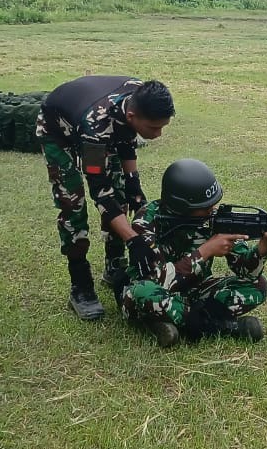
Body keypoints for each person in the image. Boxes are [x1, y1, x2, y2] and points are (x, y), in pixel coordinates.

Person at [35, 75, 175, 320]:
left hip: (98, 122)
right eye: (154, 128)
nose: (159, 134)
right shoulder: (96, 127)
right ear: (133, 116)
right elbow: (100, 192)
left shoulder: (139, 94)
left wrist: (134, 185)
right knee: (72, 203)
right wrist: (134, 240)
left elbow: (125, 138)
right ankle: (80, 285)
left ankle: (115, 265)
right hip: (58, 131)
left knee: (123, 193)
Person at [121, 159, 267, 347]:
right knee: (143, 293)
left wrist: (265, 242)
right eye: (205, 207)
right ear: (182, 206)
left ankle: (172, 321)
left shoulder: (213, 220)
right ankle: (220, 325)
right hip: (154, 291)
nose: (212, 210)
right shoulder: (146, 221)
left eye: (213, 204)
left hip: (195, 291)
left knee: (257, 285)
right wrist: (205, 252)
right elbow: (154, 280)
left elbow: (246, 273)